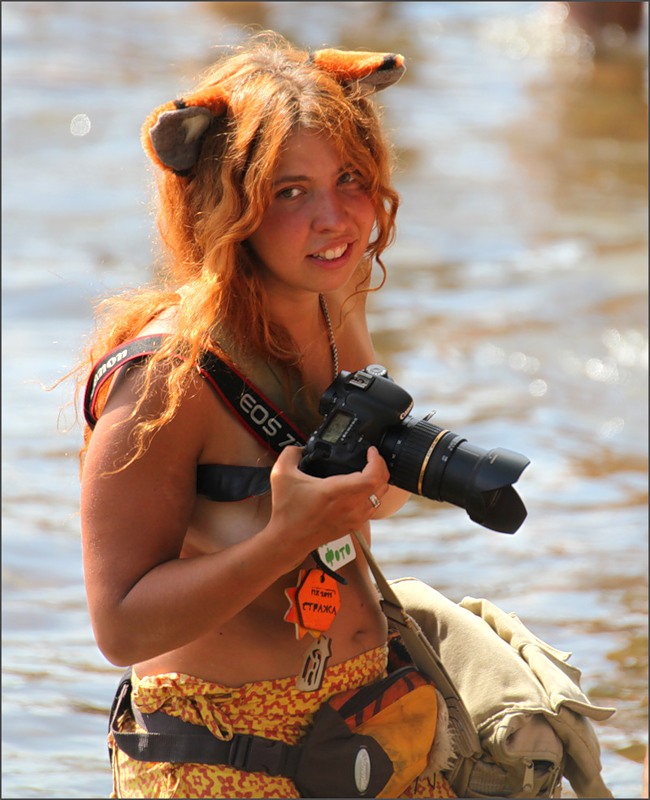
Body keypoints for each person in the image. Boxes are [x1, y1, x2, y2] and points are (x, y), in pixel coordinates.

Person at [76, 30, 455, 798]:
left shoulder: (331, 301)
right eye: (290, 192)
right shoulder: (164, 379)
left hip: (365, 725)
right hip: (222, 754)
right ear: (224, 205)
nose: (334, 218)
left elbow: (370, 501)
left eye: (350, 179)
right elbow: (119, 625)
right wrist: (285, 539)